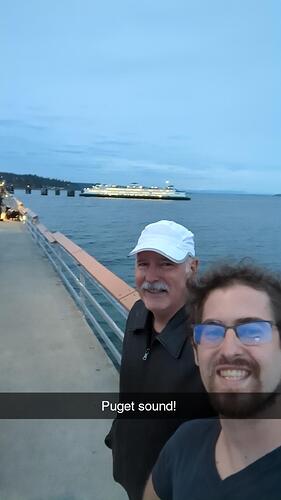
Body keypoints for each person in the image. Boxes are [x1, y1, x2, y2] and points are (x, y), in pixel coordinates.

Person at [144, 262, 281, 500]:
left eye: (253, 331)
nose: (229, 350)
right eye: (211, 332)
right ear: (196, 353)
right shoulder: (184, 444)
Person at [105, 220, 215, 500]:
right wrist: (118, 435)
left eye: (166, 264)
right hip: (131, 467)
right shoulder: (138, 313)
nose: (151, 277)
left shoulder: (210, 341)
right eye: (143, 264)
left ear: (193, 267)